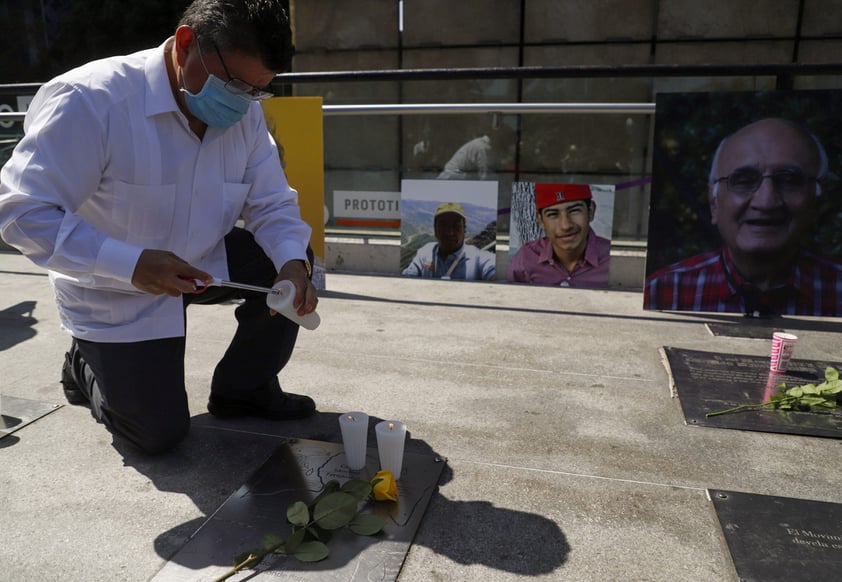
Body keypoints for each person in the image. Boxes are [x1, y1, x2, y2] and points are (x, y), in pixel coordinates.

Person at [0, 0, 319, 455]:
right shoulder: (90, 100)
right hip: (115, 285)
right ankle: (82, 365)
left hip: (201, 262)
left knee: (292, 257)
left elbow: (272, 201)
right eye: (234, 85)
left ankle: (243, 389)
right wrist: (129, 265)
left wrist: (290, 264)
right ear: (186, 44)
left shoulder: (243, 110)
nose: (244, 103)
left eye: (258, 91)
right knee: (157, 436)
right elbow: (20, 213)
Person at [644, 117, 842, 316]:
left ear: (816, 202)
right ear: (714, 203)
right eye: (744, 181)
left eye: (789, 180)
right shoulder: (661, 292)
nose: (765, 202)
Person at [507, 183, 611, 287]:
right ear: (540, 220)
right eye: (553, 214)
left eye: (574, 211)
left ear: (591, 211)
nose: (565, 225)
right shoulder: (527, 257)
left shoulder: (612, 259)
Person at [401, 202, 496, 280]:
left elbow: (492, 270)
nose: (450, 232)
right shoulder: (425, 252)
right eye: (443, 225)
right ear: (435, 229)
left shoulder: (478, 258)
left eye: (456, 226)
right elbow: (408, 275)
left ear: (464, 230)